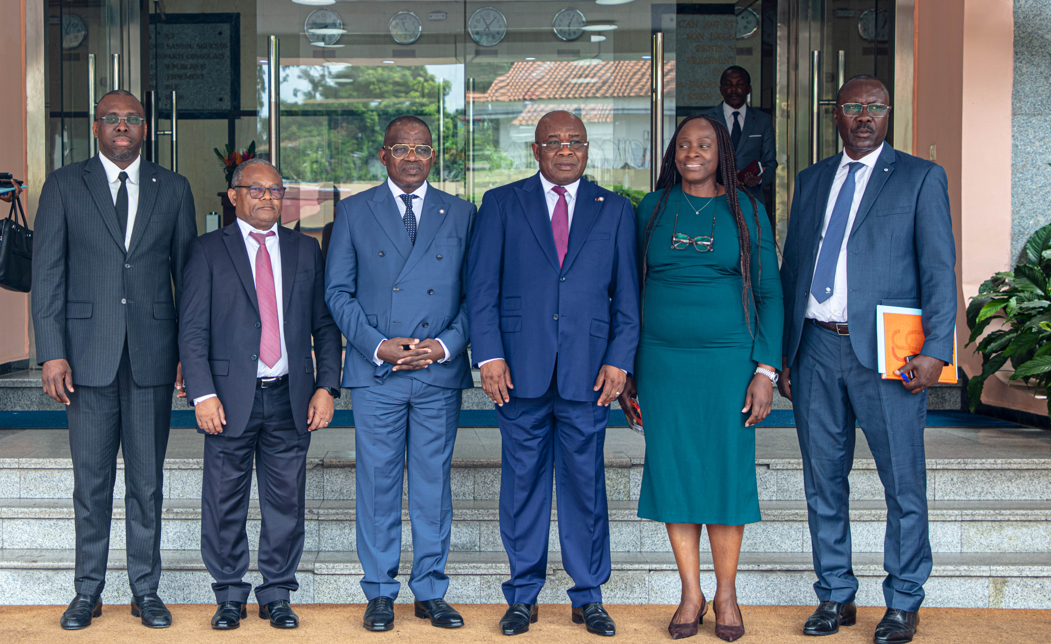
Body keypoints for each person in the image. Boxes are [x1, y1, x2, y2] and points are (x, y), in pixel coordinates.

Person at [778, 75, 956, 644]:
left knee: (902, 482)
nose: (863, 116)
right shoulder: (811, 180)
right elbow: (793, 267)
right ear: (835, 114)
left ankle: (903, 600)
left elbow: (938, 270)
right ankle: (835, 593)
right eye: (853, 106)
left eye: (875, 107)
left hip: (889, 354)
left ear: (888, 114)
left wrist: (937, 349)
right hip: (814, 347)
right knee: (822, 481)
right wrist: (784, 353)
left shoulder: (920, 177)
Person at [466, 110, 640, 637]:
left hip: (589, 372)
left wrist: (620, 359)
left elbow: (628, 297)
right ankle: (523, 595)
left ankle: (588, 596)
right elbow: (481, 289)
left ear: (587, 149)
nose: (566, 150)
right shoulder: (501, 203)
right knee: (522, 486)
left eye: (576, 142)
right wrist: (488, 355)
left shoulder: (615, 209)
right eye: (555, 142)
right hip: (518, 370)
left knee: (586, 486)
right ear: (536, 150)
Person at [32, 89, 197, 630]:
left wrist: (188, 355)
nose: (122, 126)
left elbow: (188, 281)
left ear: (146, 128)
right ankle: (88, 591)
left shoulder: (173, 188)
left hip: (153, 356)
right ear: (96, 127)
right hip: (86, 358)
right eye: (112, 118)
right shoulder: (63, 185)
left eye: (132, 119)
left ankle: (145, 591)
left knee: (147, 483)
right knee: (92, 483)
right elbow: (47, 275)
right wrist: (51, 352)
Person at [620, 114, 782, 642]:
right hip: (662, 364)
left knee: (726, 473)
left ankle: (726, 594)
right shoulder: (651, 208)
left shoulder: (748, 211)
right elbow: (630, 289)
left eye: (705, 144)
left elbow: (769, 293)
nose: (693, 152)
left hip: (728, 363)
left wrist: (765, 370)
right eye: (684, 144)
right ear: (673, 153)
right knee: (675, 472)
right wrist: (628, 368)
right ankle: (690, 593)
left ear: (722, 153)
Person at [325, 116, 476, 632]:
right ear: (384, 155)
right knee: (378, 484)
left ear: (434, 156)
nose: (413, 157)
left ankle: (430, 590)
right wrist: (377, 346)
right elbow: (337, 292)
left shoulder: (462, 212)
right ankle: (380, 591)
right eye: (402, 149)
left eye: (422, 149)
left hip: (437, 370)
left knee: (433, 485)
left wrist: (444, 345)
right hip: (377, 373)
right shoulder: (353, 211)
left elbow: (478, 293)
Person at [179, 158, 342, 630]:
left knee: (286, 502)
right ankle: (229, 593)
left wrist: (327, 386)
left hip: (291, 396)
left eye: (276, 190)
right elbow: (192, 329)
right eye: (256, 189)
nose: (268, 197)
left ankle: (277, 593)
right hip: (228, 399)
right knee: (223, 501)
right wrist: (202, 394)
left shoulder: (305, 249)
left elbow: (324, 325)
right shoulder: (207, 250)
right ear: (234, 196)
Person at [706, 66, 777, 208]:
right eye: (728, 85)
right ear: (721, 89)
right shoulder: (706, 119)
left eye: (740, 84)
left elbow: (770, 162)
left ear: (749, 89)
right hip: (714, 199)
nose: (734, 89)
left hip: (751, 200)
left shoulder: (763, 120)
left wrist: (759, 179)